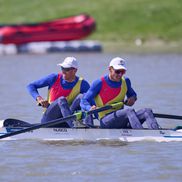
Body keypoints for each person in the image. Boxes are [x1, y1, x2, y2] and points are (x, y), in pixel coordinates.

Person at [80, 57, 160, 129]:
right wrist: (89, 108)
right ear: (110, 69)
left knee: (147, 111)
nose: (120, 74)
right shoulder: (99, 83)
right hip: (106, 120)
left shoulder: (126, 81)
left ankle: (157, 134)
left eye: (123, 72)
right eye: (118, 71)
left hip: (122, 118)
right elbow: (83, 100)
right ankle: (140, 135)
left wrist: (132, 98)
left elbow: (133, 94)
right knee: (129, 111)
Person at [27, 56, 90, 128]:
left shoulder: (83, 84)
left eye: (66, 69)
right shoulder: (54, 78)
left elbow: (91, 100)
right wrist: (39, 98)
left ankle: (90, 128)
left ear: (75, 70)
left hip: (66, 119)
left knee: (83, 97)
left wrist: (92, 108)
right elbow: (31, 86)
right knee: (61, 99)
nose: (63, 71)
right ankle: (73, 127)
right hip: (49, 120)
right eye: (62, 68)